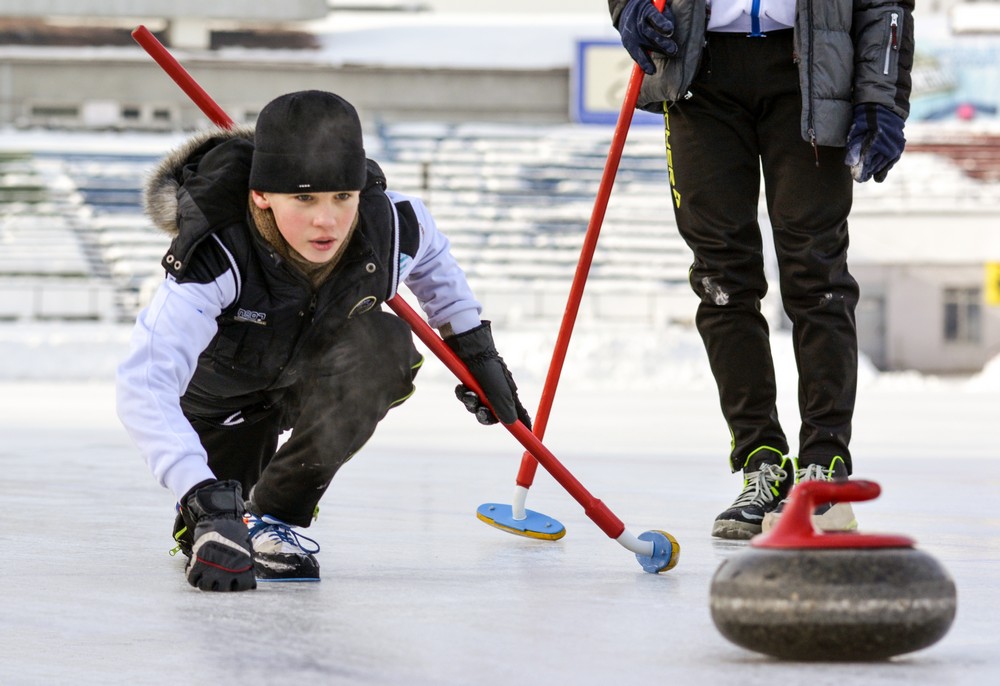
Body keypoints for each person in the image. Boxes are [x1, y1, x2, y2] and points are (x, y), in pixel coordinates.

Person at [117, 90, 531, 591]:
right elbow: (146, 383)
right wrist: (201, 494)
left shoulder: (390, 224)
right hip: (223, 400)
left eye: (342, 196)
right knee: (214, 529)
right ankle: (220, 506)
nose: (327, 220)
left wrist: (474, 349)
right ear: (261, 195)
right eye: (305, 198)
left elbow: (437, 268)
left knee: (384, 347)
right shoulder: (217, 251)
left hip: (314, 377)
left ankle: (272, 517)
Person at [610, 0, 914, 539]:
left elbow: (884, 4)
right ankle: (761, 463)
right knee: (722, 280)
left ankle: (824, 469)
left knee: (817, 279)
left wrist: (882, 97)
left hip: (810, 73)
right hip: (697, 72)